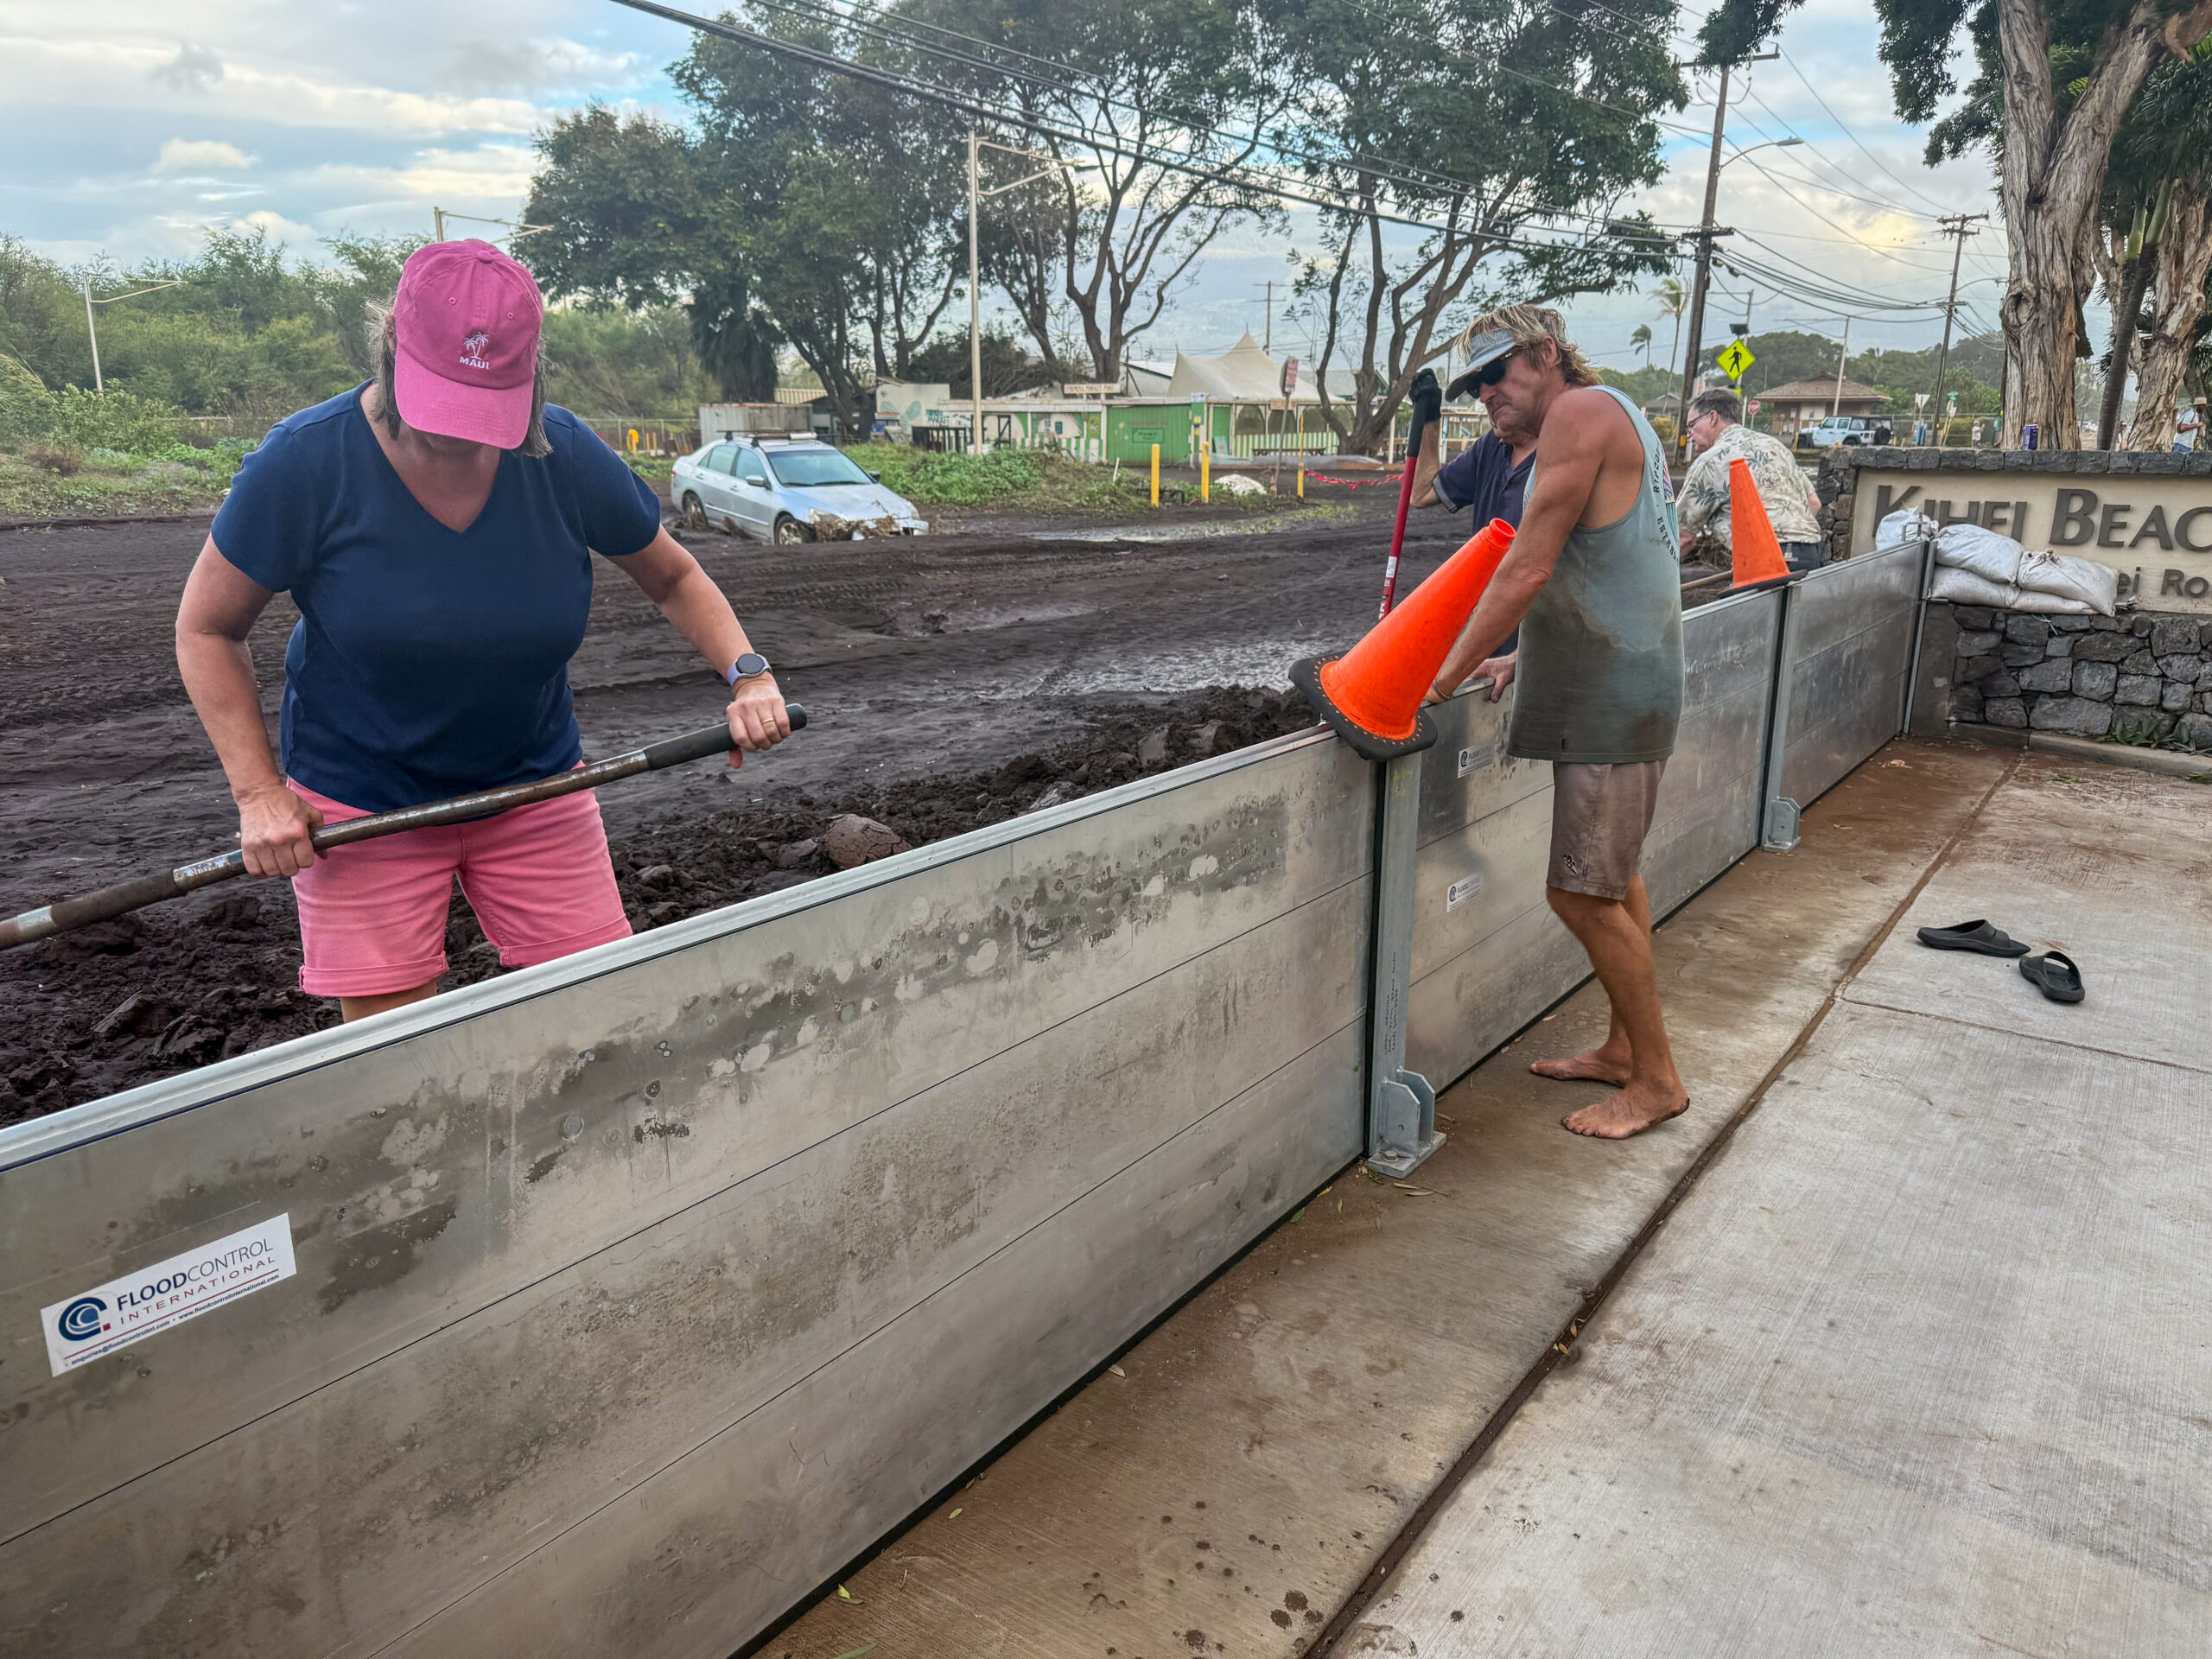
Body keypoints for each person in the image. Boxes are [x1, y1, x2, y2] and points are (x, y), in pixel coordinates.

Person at [175, 239, 791, 1023]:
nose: (460, 435)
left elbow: (673, 576)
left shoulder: (562, 454)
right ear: (392, 347)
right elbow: (206, 628)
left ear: (530, 375)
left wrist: (749, 673)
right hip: (362, 806)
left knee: (600, 1022)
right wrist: (260, 793)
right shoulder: (306, 463)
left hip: (535, 783)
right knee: (395, 1060)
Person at [1425, 305, 1689, 1141]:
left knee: (1577, 894)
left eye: (1498, 374)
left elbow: (1530, 562)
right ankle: (1622, 1048)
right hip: (1613, 680)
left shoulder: (1577, 412)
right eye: (1476, 385)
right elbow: (1603, 566)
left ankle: (1656, 1082)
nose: (1487, 397)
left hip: (1612, 697)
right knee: (1614, 882)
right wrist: (1518, 659)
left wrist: (1444, 673)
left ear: (1546, 356)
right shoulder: (1616, 413)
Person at [1673, 386, 1826, 571]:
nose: (1688, 434)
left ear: (1712, 417)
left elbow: (1682, 537)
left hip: (1764, 558)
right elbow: (1814, 503)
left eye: (1691, 424)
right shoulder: (1775, 446)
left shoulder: (1711, 461)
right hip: (1810, 554)